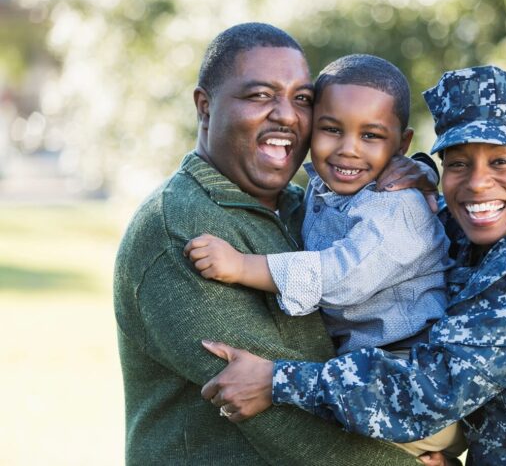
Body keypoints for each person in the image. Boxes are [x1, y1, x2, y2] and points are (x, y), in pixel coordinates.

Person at [200, 65, 506, 464]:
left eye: (502, 162)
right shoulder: (471, 225)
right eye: (459, 164)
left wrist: (278, 380)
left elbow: (433, 390)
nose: (478, 183)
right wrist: (421, 174)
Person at [113, 23, 433, 465]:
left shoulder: (307, 208)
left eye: (301, 99)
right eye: (260, 95)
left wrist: (422, 175)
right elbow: (284, 419)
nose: (287, 115)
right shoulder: (181, 227)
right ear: (205, 107)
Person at [183, 53, 465, 460]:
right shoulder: (322, 189)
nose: (347, 150)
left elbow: (339, 276)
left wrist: (244, 266)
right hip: (363, 374)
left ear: (401, 145)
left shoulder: (397, 208)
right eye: (331, 130)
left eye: (370, 136)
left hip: (409, 381)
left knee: (313, 432)